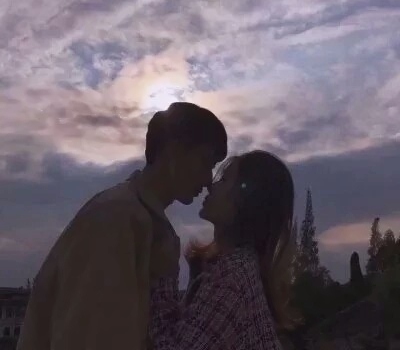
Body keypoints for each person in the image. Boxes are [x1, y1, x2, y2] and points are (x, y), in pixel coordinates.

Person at [17, 102, 227, 350]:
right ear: (174, 151)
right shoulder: (116, 217)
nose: (208, 180)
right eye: (205, 162)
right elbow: (91, 337)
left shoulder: (139, 219)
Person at [149, 150, 298, 350]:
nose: (211, 185)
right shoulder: (238, 269)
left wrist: (162, 273)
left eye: (224, 180)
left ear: (246, 201)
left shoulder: (232, 278)